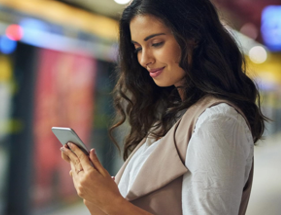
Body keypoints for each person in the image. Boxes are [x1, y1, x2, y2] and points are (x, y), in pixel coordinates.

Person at [60, 0, 268, 214]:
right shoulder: (174, 115)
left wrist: (110, 201)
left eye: (156, 43)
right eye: (138, 48)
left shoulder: (217, 120)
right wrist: (98, 191)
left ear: (193, 37)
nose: (144, 59)